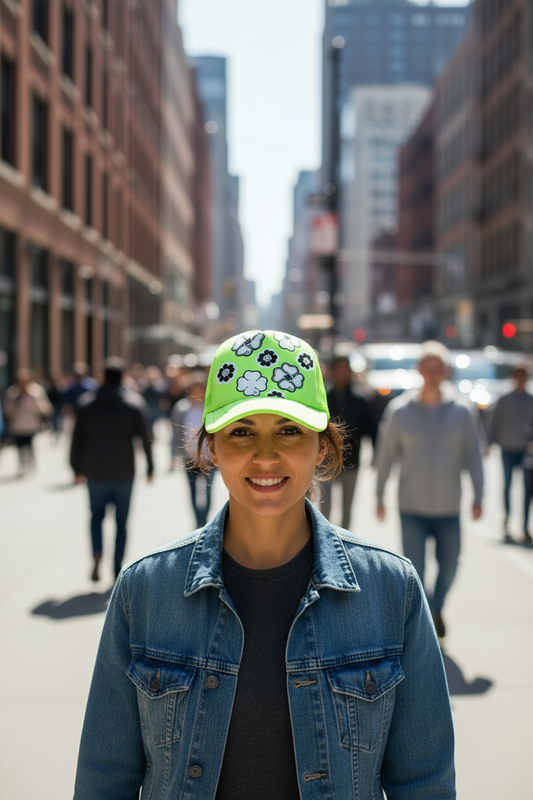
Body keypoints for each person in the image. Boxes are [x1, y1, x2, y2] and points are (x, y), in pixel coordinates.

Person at [74, 330, 455, 800]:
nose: (266, 455)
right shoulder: (146, 590)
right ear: (211, 448)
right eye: (242, 431)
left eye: (289, 430)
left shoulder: (391, 589)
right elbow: (104, 778)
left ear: (321, 446)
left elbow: (424, 782)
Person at [375, 340, 484, 639]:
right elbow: (385, 455)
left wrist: (479, 494)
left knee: (450, 565)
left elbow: (474, 454)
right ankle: (425, 623)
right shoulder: (399, 411)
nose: (433, 374)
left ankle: (436, 606)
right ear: (419, 370)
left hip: (449, 505)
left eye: (439, 368)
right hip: (411, 505)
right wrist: (379, 494)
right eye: (428, 368)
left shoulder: (463, 411)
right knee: (416, 569)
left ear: (446, 371)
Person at [70, 357, 154, 582]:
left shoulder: (87, 404)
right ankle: (117, 566)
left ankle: (97, 552)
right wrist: (151, 466)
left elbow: (77, 438)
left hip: (95, 471)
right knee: (121, 522)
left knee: (96, 516)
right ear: (123, 377)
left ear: (103, 377)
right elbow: (146, 439)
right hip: (124, 472)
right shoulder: (134, 403)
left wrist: (75, 468)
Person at [321, 355, 377, 528]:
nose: (341, 373)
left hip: (351, 461)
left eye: (345, 369)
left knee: (347, 509)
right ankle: (323, 542)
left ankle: (344, 545)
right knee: (325, 507)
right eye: (338, 368)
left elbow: (371, 428)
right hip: (325, 461)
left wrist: (376, 453)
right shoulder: (322, 397)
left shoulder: (360, 400)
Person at [488, 364, 533, 543]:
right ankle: (506, 522)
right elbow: (495, 421)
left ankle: (524, 526)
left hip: (526, 450)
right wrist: (490, 442)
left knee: (527, 489)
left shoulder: (531, 399)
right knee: (507, 486)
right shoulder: (505, 399)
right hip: (507, 447)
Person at [170, 372, 215, 527]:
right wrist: (173, 456)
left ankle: (205, 520)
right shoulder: (181, 408)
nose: (197, 393)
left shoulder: (211, 407)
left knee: (207, 491)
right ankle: (197, 522)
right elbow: (176, 434)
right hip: (189, 457)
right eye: (194, 389)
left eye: (200, 389)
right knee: (192, 492)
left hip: (209, 457)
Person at [2, 368, 53, 474]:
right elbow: (7, 411)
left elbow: (46, 408)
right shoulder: (12, 393)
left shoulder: (36, 391)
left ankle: (31, 466)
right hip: (17, 426)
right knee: (20, 447)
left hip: (31, 425)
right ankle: (22, 466)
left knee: (30, 446)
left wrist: (34, 402)